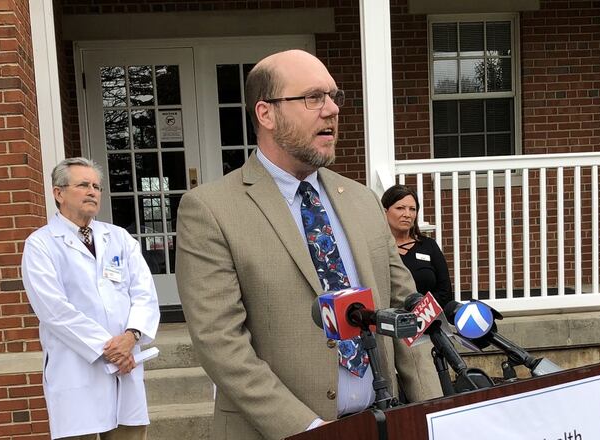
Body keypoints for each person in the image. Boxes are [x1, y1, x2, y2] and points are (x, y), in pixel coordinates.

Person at [175, 50, 441, 440]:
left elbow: (407, 312)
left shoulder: (362, 200)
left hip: (381, 422)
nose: (332, 109)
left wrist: (429, 412)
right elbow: (221, 344)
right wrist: (310, 431)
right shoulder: (210, 210)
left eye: (334, 96)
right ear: (266, 114)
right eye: (313, 97)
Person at [21, 157, 160, 440]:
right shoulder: (41, 244)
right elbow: (54, 310)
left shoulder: (119, 238)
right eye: (83, 185)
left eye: (96, 186)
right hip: (77, 367)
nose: (92, 191)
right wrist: (110, 349)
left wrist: (131, 337)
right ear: (58, 193)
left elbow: (144, 293)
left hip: (125, 363)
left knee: (129, 433)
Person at [381, 184, 452, 307]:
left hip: (430, 320)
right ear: (385, 211)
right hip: (391, 321)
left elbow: (445, 291)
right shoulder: (378, 249)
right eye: (400, 208)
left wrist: (421, 312)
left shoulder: (429, 246)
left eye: (412, 209)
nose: (407, 214)